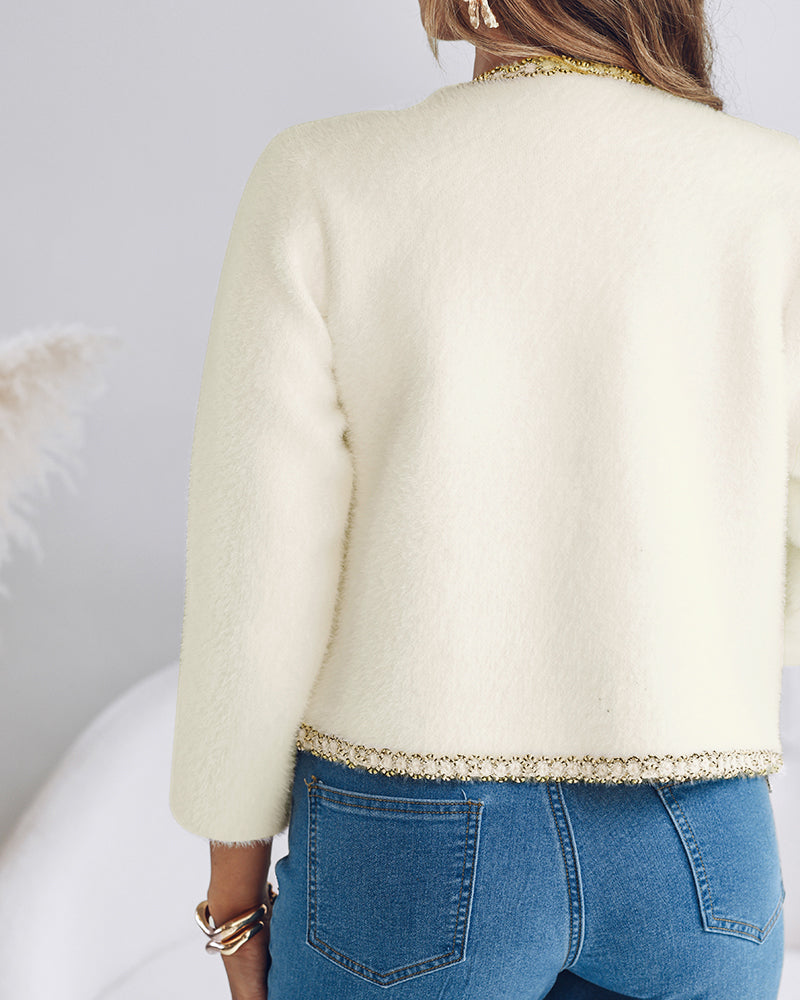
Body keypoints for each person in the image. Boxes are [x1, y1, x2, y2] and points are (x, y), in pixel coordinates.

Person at [169, 1, 800, 997]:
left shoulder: (322, 178)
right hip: (697, 840)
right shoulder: (774, 189)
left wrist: (233, 896)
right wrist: (693, 656)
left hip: (402, 835)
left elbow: (257, 564)